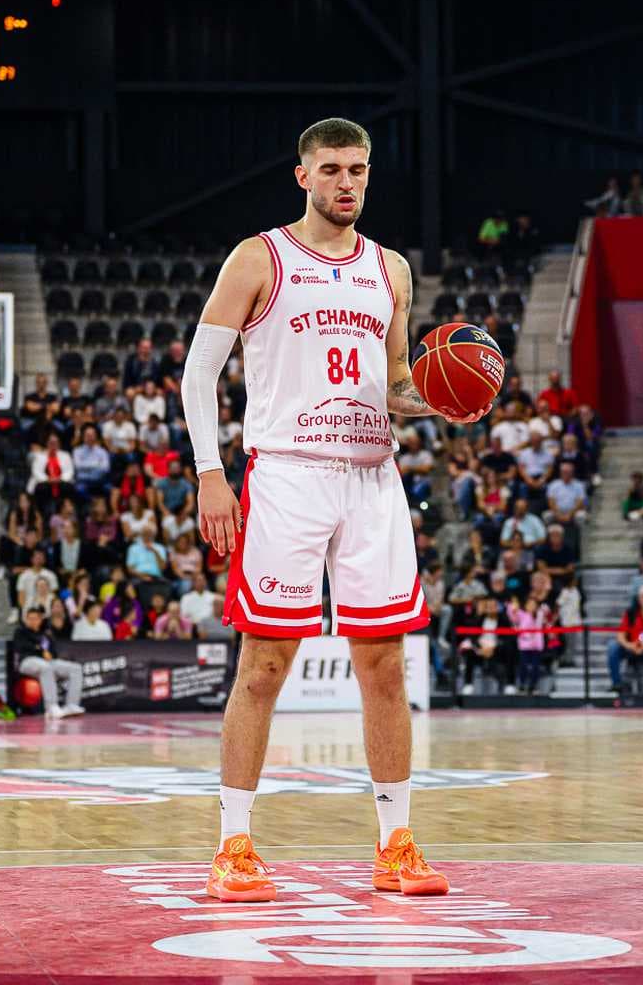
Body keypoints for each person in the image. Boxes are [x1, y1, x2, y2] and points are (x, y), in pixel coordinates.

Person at [183, 117, 484, 903]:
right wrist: (210, 474)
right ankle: (234, 847)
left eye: (359, 169)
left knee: (384, 666)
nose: (347, 182)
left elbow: (392, 382)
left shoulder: (391, 269)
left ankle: (396, 844)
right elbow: (197, 373)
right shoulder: (260, 257)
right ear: (303, 176)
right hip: (286, 474)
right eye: (332, 170)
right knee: (264, 667)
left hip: (371, 478)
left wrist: (442, 403)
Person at [12, 605, 85, 719]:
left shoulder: (46, 633)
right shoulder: (20, 631)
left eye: (35, 618)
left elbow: (53, 652)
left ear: (40, 619)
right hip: (27, 662)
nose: (32, 621)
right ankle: (51, 707)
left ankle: (72, 704)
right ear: (26, 619)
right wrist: (41, 651)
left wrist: (50, 654)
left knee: (75, 668)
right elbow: (21, 647)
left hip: (47, 662)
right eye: (29, 618)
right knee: (46, 667)